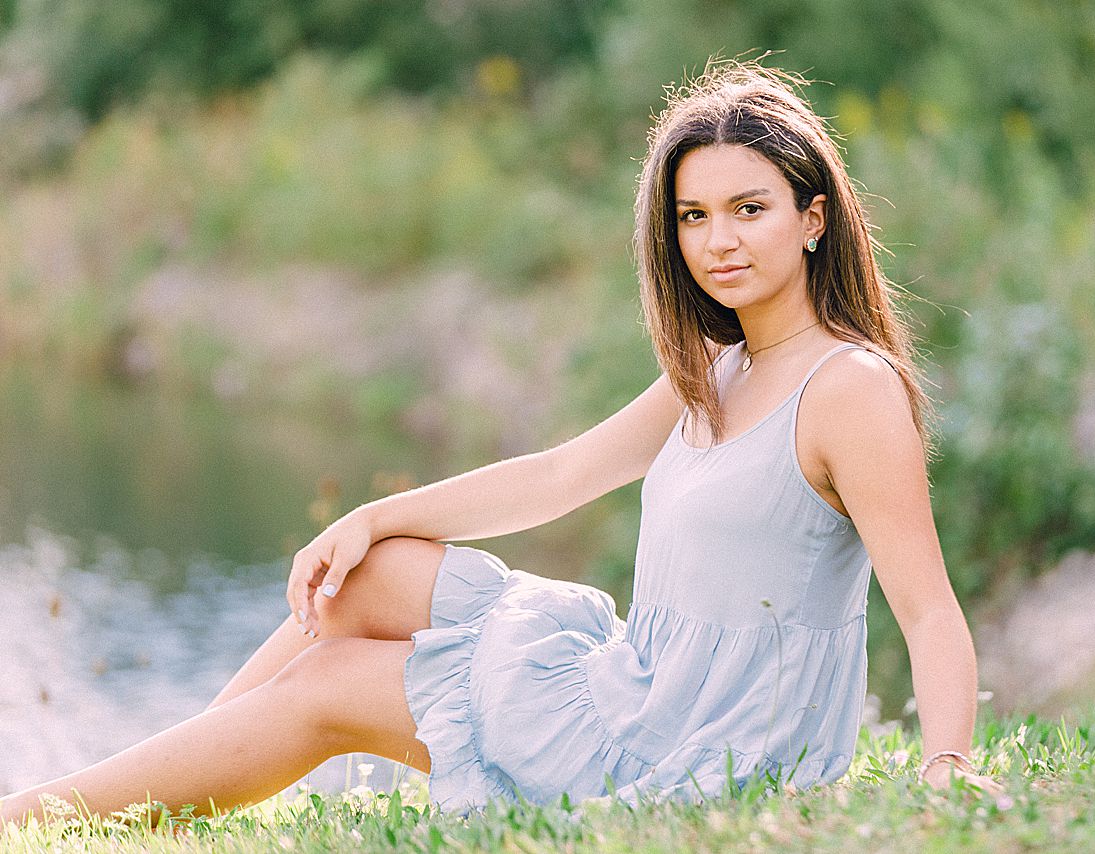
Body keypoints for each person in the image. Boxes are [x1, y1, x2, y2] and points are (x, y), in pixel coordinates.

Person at [0, 59, 1005, 827]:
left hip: (703, 746)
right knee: (360, 579)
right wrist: (371, 514)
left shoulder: (848, 390)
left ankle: (43, 816)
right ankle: (164, 782)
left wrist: (944, 769)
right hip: (639, 680)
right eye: (693, 216)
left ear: (813, 217)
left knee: (321, 687)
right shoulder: (719, 362)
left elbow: (925, 606)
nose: (718, 241)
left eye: (750, 209)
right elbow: (561, 474)